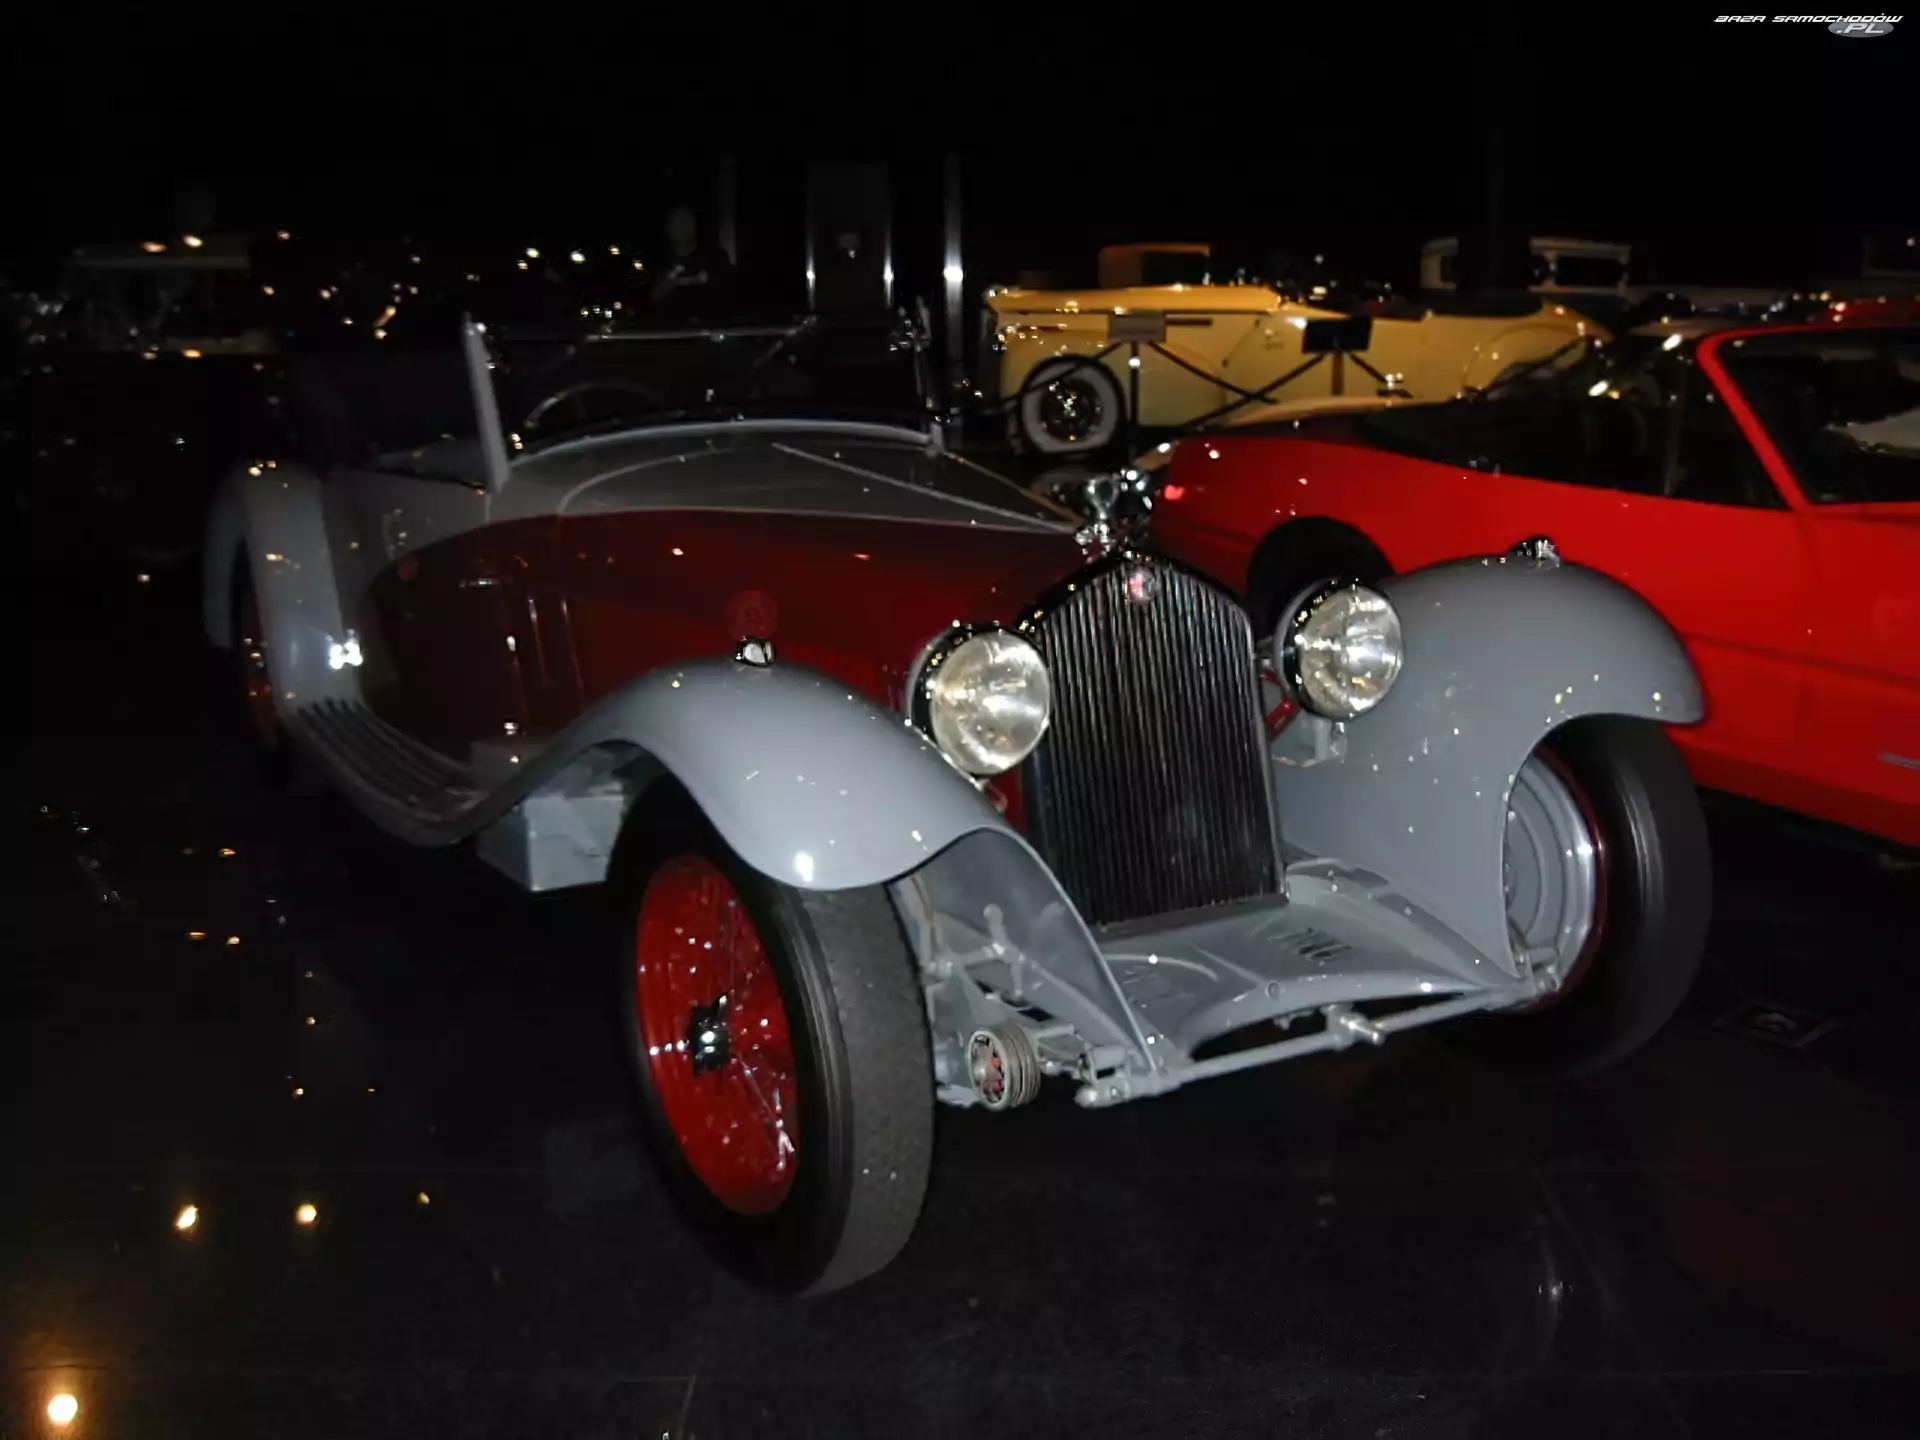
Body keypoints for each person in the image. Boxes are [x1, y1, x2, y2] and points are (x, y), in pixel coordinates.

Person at [646, 205, 733, 314]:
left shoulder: (716, 257)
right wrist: (663, 287)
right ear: (668, 229)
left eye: (688, 218)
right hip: (668, 323)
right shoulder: (658, 262)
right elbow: (646, 301)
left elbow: (731, 292)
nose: (683, 224)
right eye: (678, 220)